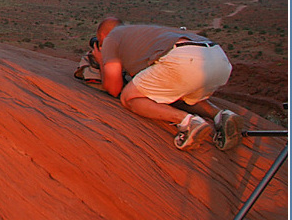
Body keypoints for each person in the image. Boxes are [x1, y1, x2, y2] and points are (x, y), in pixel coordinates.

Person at [91, 16, 243, 151]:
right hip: (218, 58)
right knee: (176, 92)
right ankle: (220, 116)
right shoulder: (142, 32)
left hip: (183, 60)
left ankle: (188, 122)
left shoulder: (112, 37)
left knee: (129, 98)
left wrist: (101, 60)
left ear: (103, 36)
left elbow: (114, 89)